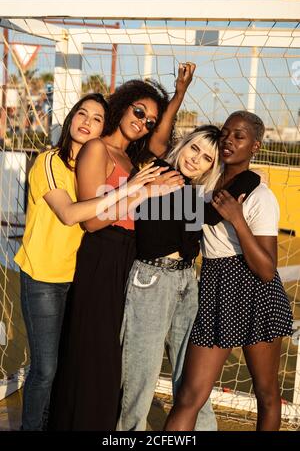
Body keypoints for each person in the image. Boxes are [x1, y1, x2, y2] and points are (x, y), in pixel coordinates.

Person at [48, 68, 196, 431]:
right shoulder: (98, 149)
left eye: (150, 120)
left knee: (114, 357)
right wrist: (141, 191)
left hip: (131, 260)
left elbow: (162, 139)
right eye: (139, 112)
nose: (144, 122)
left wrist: (179, 94)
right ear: (123, 107)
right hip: (102, 255)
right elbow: (92, 221)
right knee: (94, 354)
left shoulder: (136, 160)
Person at [14, 92, 164, 431]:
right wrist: (134, 190)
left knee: (70, 360)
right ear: (71, 119)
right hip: (44, 277)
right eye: (82, 114)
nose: (88, 123)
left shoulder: (93, 162)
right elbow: (72, 216)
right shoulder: (51, 161)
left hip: (76, 274)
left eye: (97, 118)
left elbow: (154, 143)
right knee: (46, 368)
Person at [117, 124, 261, 431]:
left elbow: (207, 211)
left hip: (186, 281)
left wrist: (248, 175)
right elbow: (207, 214)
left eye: (207, 158)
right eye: (194, 148)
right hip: (151, 280)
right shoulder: (158, 172)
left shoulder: (193, 191)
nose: (196, 159)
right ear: (182, 144)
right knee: (141, 375)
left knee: (193, 375)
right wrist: (248, 176)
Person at [164, 111, 293, 432]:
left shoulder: (261, 197)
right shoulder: (203, 188)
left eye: (240, 136)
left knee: (266, 395)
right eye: (225, 133)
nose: (229, 140)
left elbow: (266, 269)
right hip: (215, 288)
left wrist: (236, 218)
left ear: (255, 146)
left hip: (257, 294)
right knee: (189, 396)